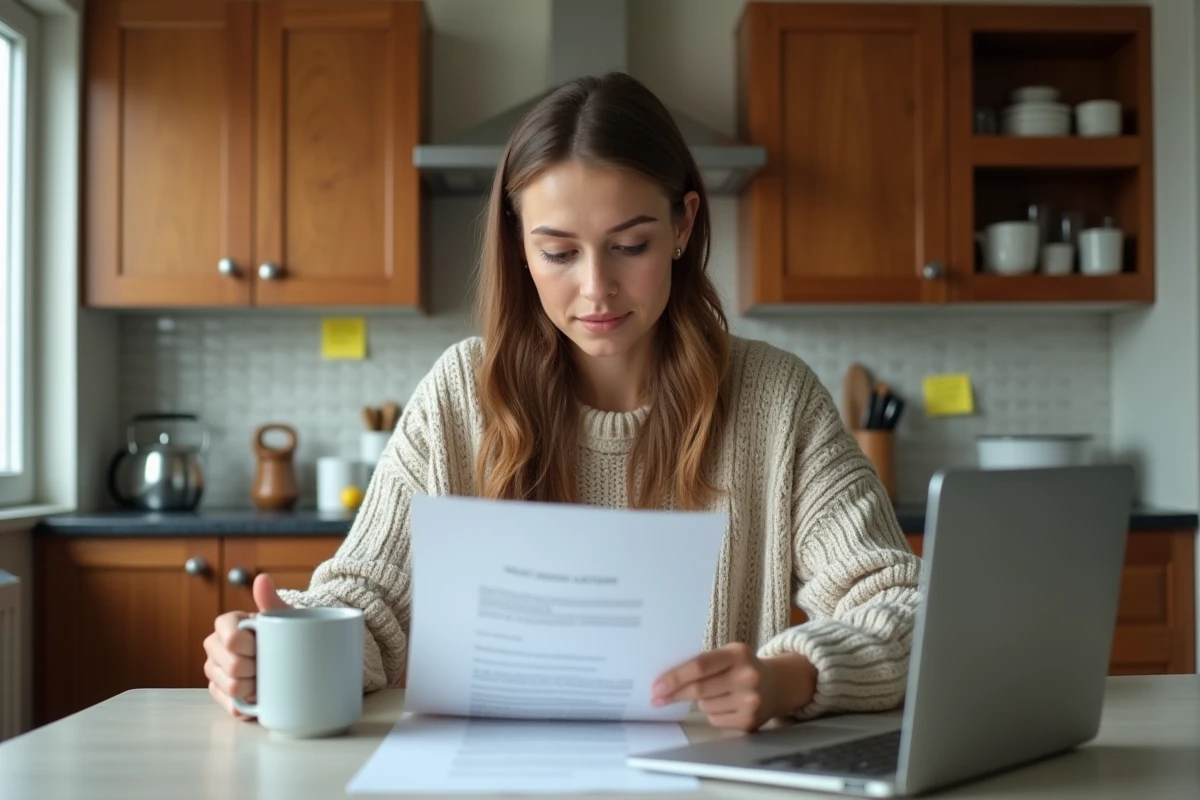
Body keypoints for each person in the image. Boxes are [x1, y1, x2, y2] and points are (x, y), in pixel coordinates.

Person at [203, 72, 921, 733]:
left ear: (682, 225)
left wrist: (790, 677)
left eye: (629, 245)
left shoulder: (776, 399)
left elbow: (907, 608)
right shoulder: (461, 392)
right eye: (559, 252)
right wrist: (274, 644)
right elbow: (370, 603)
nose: (596, 288)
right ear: (519, 245)